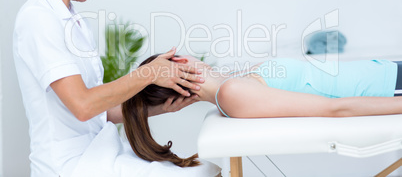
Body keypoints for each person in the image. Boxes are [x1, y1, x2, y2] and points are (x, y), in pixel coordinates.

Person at [13, 0, 221, 177]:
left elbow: (99, 113)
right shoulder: (38, 18)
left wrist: (163, 107)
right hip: (69, 166)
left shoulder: (75, 22)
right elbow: (83, 105)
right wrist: (149, 73)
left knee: (206, 169)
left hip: (97, 152)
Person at [123, 54, 402, 166]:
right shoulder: (232, 93)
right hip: (389, 87)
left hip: (385, 72)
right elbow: (335, 109)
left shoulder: (232, 84)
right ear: (181, 64)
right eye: (177, 57)